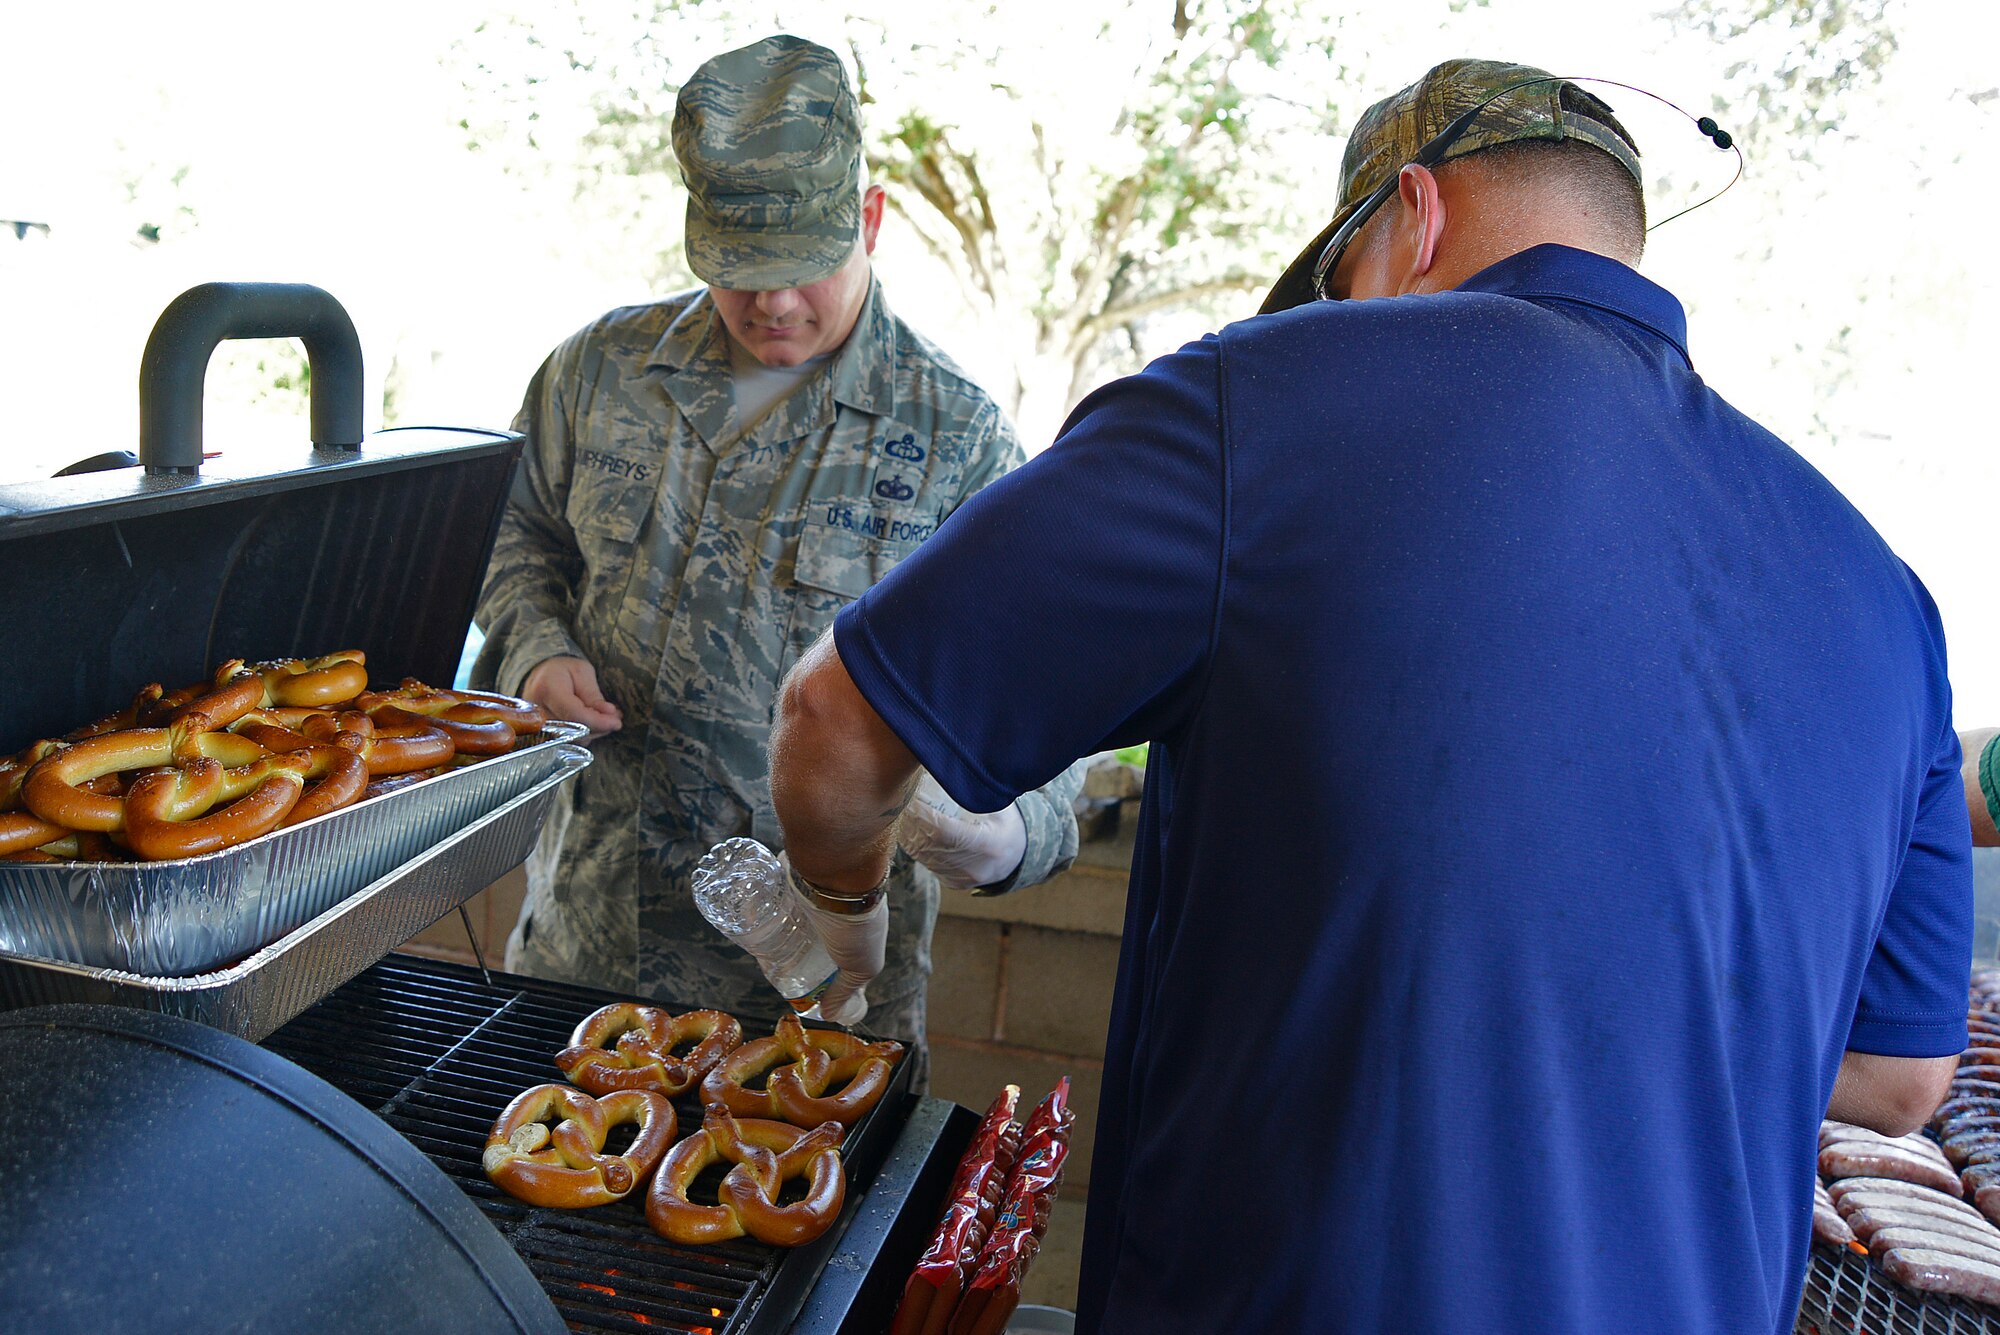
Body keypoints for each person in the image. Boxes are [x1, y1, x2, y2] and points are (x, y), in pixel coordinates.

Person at [767, 59, 1970, 1334]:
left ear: (1413, 218)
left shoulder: (1268, 397)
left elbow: (834, 721)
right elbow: (1899, 1077)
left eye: (1339, 275)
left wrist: (839, 907)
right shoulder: (1884, 595)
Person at [472, 33, 1081, 1088]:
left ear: (870, 221)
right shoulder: (597, 373)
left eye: (803, 269)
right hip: (588, 958)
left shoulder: (958, 442)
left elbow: (1055, 689)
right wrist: (533, 649)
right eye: (737, 275)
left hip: (818, 1013)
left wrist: (1013, 832)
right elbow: (511, 533)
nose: (772, 305)